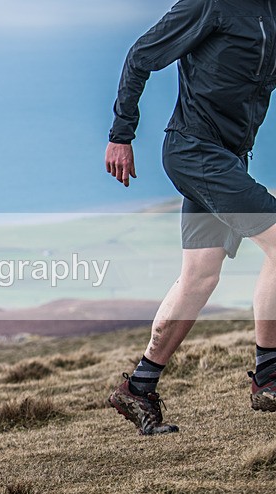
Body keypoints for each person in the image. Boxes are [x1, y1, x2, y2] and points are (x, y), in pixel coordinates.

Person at [105, 0, 276, 435]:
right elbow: (141, 55)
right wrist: (122, 135)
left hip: (228, 158)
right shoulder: (214, 3)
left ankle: (139, 386)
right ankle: (269, 375)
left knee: (199, 277)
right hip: (193, 151)